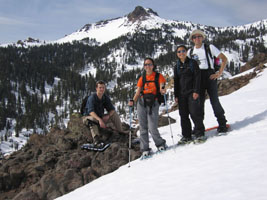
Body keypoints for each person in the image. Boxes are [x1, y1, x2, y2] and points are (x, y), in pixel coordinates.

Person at [189, 29, 228, 133]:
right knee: (199, 104)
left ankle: (222, 124)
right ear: (192, 39)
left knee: (214, 101)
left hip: (209, 75)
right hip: (197, 78)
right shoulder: (190, 52)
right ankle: (199, 127)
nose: (197, 38)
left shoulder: (209, 47)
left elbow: (224, 59)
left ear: (202, 38)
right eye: (195, 37)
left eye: (199, 36)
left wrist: (219, 73)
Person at [128, 58, 167, 157]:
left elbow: (162, 85)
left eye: (149, 64)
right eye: (145, 65)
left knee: (152, 126)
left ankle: (160, 143)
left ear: (153, 66)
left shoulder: (159, 76)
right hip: (141, 102)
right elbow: (138, 91)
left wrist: (163, 90)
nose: (147, 66)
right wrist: (133, 100)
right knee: (142, 126)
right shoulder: (142, 78)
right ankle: (145, 149)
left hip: (154, 102)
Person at [174, 45, 205, 144]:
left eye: (183, 51)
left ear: (186, 52)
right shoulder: (177, 66)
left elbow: (197, 77)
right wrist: (176, 95)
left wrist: (196, 91)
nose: (181, 53)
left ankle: (199, 133)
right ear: (177, 54)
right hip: (181, 94)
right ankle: (186, 135)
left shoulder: (192, 63)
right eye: (179, 52)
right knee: (183, 115)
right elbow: (176, 81)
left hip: (192, 92)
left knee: (195, 113)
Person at [82, 80, 124, 148]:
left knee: (114, 114)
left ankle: (120, 131)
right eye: (100, 87)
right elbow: (91, 112)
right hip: (88, 117)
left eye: (103, 88)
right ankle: (96, 140)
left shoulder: (105, 97)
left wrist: (108, 116)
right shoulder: (92, 98)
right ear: (96, 88)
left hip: (100, 116)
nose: (101, 89)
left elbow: (112, 110)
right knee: (93, 119)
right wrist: (99, 120)